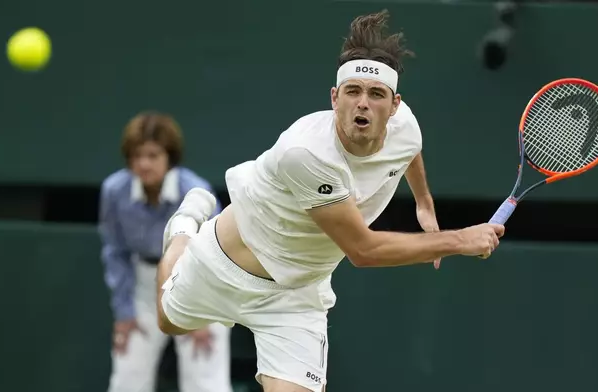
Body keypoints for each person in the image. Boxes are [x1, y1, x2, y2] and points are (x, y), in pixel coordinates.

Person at [156, 10, 504, 392]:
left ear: (395, 105)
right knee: (167, 321)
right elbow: (363, 250)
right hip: (222, 263)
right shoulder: (307, 153)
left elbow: (410, 150)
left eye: (376, 95)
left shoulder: (406, 126)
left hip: (297, 294)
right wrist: (460, 240)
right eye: (352, 92)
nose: (363, 104)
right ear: (334, 98)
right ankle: (184, 228)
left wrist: (423, 201)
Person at [98, 112, 233, 392]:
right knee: (127, 380)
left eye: (152, 155)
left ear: (169, 157)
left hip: (199, 285)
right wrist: (124, 313)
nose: (144, 164)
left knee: (205, 382)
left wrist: (202, 314)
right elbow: (116, 252)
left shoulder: (196, 191)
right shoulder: (114, 191)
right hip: (143, 286)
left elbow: (214, 255)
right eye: (137, 156)